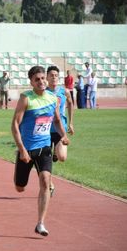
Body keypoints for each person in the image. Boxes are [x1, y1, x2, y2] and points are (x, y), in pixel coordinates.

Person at [11, 65, 69, 237]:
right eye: (37, 79)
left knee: (45, 181)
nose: (42, 81)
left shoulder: (53, 98)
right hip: (27, 150)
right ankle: (19, 178)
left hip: (44, 148)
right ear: (31, 82)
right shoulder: (26, 99)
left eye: (43, 78)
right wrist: (21, 149)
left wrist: (63, 135)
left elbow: (57, 121)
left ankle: (40, 223)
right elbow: (15, 124)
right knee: (19, 187)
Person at [46, 66, 74, 196]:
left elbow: (71, 104)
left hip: (60, 128)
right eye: (51, 75)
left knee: (62, 157)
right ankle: (50, 184)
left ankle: (56, 153)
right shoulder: (43, 92)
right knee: (46, 161)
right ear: (47, 77)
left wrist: (71, 123)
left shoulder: (65, 91)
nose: (54, 77)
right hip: (45, 130)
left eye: (56, 75)